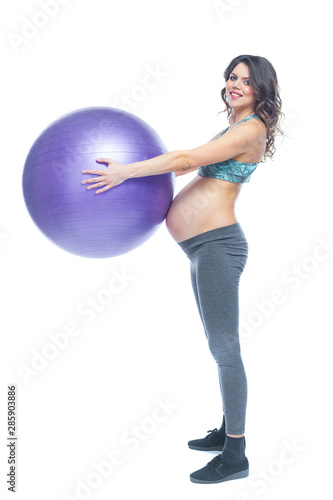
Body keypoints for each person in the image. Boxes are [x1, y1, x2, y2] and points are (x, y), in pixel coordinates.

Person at [82, 54, 283, 485]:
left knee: (226, 348)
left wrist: (127, 173)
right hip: (201, 248)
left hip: (218, 246)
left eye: (246, 81)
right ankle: (227, 429)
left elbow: (186, 161)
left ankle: (236, 454)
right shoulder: (235, 125)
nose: (235, 84)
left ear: (261, 89)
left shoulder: (251, 129)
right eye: (232, 77)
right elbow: (193, 166)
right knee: (217, 345)